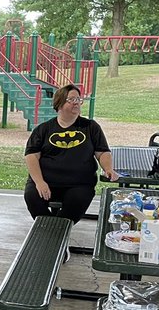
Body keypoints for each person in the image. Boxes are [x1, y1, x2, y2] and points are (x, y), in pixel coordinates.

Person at [23, 83, 118, 222]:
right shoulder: (43, 129)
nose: (77, 103)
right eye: (72, 100)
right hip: (46, 181)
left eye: (79, 100)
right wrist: (40, 182)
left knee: (78, 199)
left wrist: (108, 168)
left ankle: (58, 229)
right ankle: (46, 227)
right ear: (60, 103)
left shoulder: (91, 127)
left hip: (79, 184)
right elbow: (31, 156)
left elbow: (102, 152)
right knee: (32, 196)